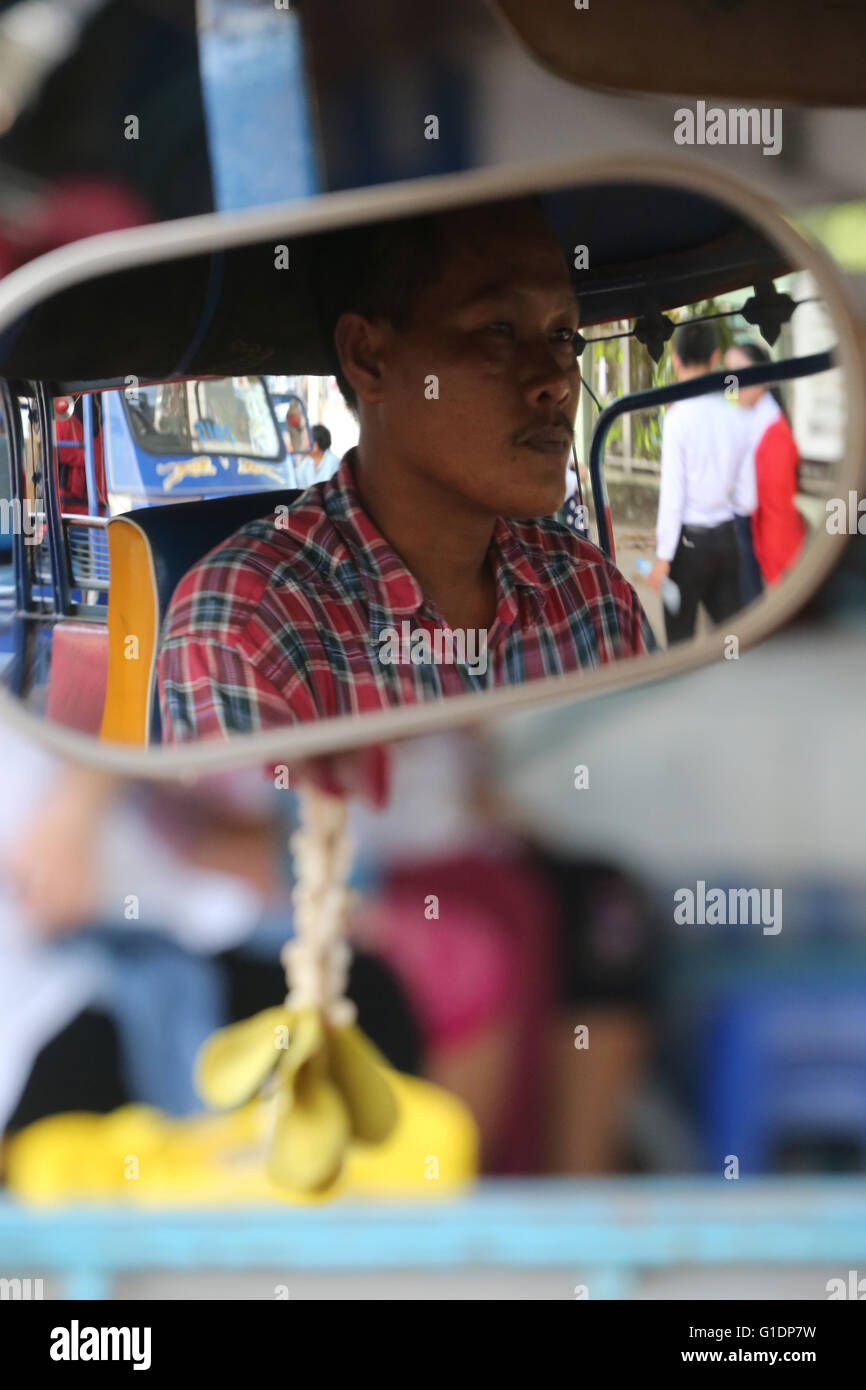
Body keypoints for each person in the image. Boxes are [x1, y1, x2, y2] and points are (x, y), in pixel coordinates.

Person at [158, 197, 656, 740]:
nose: (556, 381)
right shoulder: (251, 629)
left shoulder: (589, 591)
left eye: (563, 335)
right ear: (369, 358)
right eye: (498, 329)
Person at [644, 321, 754, 645]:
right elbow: (746, 497)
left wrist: (663, 557)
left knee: (681, 642)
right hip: (727, 539)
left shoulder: (679, 417)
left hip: (688, 548)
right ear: (715, 357)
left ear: (675, 360)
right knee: (732, 639)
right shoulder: (734, 414)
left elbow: (673, 495)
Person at [725, 340, 806, 587]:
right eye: (728, 373)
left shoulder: (773, 434)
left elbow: (777, 512)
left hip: (774, 553)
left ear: (762, 374)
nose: (732, 382)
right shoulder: (747, 418)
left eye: (740, 371)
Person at [294, 423, 341, 490]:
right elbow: (299, 486)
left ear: (315, 446)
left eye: (305, 440)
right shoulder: (307, 462)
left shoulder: (333, 463)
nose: (303, 444)